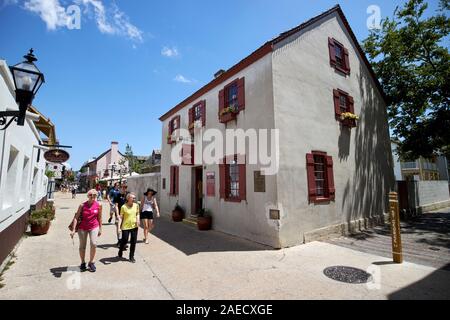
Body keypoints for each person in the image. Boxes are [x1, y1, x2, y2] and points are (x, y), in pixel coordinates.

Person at [70, 189, 102, 272]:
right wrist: (73, 229)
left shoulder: (99, 205)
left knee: (94, 244)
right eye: (91, 195)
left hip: (94, 226)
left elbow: (99, 218)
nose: (93, 196)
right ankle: (83, 262)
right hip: (82, 228)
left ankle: (91, 262)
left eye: (95, 195)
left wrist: (100, 229)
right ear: (88, 196)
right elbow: (76, 218)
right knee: (82, 246)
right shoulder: (82, 205)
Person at [118, 193, 139, 263]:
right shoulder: (123, 207)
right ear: (128, 199)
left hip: (134, 226)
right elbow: (121, 218)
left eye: (134, 198)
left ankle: (131, 256)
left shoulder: (136, 205)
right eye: (133, 198)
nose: (134, 199)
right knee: (125, 240)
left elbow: (137, 213)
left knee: (133, 242)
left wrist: (138, 220)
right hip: (125, 227)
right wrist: (119, 227)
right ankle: (121, 249)